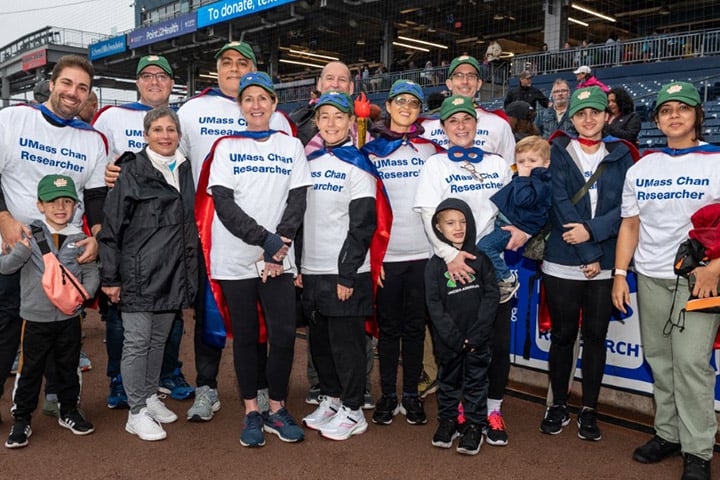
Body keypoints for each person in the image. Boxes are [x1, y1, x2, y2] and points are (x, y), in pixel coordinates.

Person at [174, 41, 294, 423]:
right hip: (209, 225)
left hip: (266, 233)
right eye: (226, 62)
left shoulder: (278, 119)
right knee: (208, 312)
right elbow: (171, 161)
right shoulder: (192, 109)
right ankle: (206, 387)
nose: (234, 67)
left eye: (243, 62)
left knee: (257, 316)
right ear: (216, 68)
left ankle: (259, 386)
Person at [195, 72, 310, 447]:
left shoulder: (290, 145)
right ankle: (251, 412)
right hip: (236, 258)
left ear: (275, 105)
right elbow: (223, 204)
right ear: (240, 106)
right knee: (245, 337)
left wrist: (280, 245)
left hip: (279, 257)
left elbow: (298, 199)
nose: (256, 105)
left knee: (282, 337)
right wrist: (266, 240)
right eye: (249, 99)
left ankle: (276, 407)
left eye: (263, 98)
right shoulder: (225, 146)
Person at [612, 82, 720, 480]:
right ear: (657, 119)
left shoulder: (716, 161)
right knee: (660, 361)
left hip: (699, 280)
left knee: (691, 363)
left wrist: (716, 268)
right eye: (666, 110)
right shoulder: (643, 167)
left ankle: (698, 450)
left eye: (683, 108)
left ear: (696, 116)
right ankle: (668, 433)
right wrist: (620, 274)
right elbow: (630, 225)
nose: (674, 115)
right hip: (651, 277)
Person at [0, 55, 107, 423]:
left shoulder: (92, 139)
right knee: (7, 325)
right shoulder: (12, 119)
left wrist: (96, 236)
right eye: (67, 83)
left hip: (65, 249)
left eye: (82, 87)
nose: (73, 93)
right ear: (51, 82)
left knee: (63, 329)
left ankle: (62, 401)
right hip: (19, 244)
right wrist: (4, 219)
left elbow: (95, 196)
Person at [414, 95, 522, 447]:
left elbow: (512, 212)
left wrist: (521, 230)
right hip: (453, 265)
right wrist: (449, 255)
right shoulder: (435, 166)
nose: (461, 126)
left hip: (490, 266)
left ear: (477, 124)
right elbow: (427, 215)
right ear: (443, 128)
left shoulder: (497, 163)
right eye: (453, 121)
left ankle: (491, 409)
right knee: (455, 342)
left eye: (467, 119)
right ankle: (459, 409)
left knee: (496, 344)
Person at [95, 54, 193, 408]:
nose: (154, 81)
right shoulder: (113, 121)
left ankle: (159, 382)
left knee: (164, 327)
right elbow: (97, 170)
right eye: (147, 75)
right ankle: (125, 387)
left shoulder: (183, 149)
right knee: (130, 331)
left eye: (162, 76)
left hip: (169, 257)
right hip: (134, 254)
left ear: (172, 82)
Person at [539, 87, 635, 441]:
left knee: (596, 337)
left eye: (595, 112)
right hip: (565, 259)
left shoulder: (622, 153)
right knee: (563, 337)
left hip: (607, 259)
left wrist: (593, 237)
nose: (589, 119)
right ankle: (558, 405)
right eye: (581, 114)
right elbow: (558, 203)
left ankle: (589, 409)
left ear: (607, 116)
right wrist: (588, 254)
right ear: (573, 118)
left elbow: (626, 208)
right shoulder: (559, 149)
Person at [300, 92, 379, 441]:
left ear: (351, 124)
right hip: (312, 269)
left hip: (345, 272)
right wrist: (298, 264)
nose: (331, 123)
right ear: (317, 122)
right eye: (325, 117)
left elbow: (362, 226)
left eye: (338, 117)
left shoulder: (359, 165)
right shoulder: (307, 161)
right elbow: (298, 218)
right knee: (320, 344)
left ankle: (352, 409)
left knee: (346, 345)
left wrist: (347, 273)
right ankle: (331, 399)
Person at [362, 80, 441, 426]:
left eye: (413, 102)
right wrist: (370, 256)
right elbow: (362, 207)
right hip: (387, 257)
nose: (406, 107)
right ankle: (388, 395)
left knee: (414, 329)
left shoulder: (432, 150)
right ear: (389, 106)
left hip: (424, 255)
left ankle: (411, 394)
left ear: (419, 110)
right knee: (388, 330)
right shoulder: (370, 150)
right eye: (400, 101)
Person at [2, 175, 99, 449]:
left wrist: (86, 293)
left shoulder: (80, 238)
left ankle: (69, 411)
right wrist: (20, 252)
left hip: (69, 318)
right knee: (30, 370)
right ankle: (22, 419)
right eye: (53, 202)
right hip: (35, 319)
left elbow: (91, 269)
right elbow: (5, 267)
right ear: (40, 205)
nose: (60, 207)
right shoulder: (28, 234)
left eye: (67, 201)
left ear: (75, 206)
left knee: (69, 367)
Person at [426, 198, 499, 455]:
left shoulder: (481, 259)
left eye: (463, 221)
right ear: (437, 227)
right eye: (450, 223)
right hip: (448, 342)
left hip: (478, 340)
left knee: (477, 383)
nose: (458, 227)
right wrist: (453, 337)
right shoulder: (434, 265)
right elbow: (433, 305)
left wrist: (477, 334)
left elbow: (492, 296)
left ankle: (474, 427)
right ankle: (448, 421)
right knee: (448, 382)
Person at [477, 135, 551, 303]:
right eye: (521, 161)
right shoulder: (528, 178)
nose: (526, 165)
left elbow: (523, 200)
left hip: (513, 226)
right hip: (506, 222)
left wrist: (523, 177)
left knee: (484, 247)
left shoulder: (540, 181)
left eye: (532, 160)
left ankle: (506, 279)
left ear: (546, 164)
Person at [421, 55, 516, 164]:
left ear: (479, 84)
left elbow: (510, 168)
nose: (465, 81)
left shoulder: (499, 124)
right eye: (458, 76)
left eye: (471, 76)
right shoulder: (427, 127)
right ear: (449, 84)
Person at [290, 61, 354, 146]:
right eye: (329, 78)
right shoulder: (297, 121)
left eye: (342, 79)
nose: (335, 84)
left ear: (351, 88)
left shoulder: (365, 126)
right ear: (319, 84)